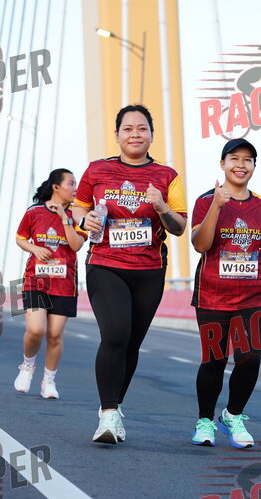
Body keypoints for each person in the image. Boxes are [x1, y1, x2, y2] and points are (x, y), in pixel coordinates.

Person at [72, 104, 187, 444]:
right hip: (106, 264)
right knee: (116, 334)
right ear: (117, 135)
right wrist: (84, 220)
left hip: (149, 270)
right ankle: (107, 414)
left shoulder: (168, 176)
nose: (135, 134)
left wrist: (161, 206)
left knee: (132, 343)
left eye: (142, 128)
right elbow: (79, 206)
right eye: (128, 128)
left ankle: (115, 407)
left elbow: (180, 227)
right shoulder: (97, 170)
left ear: (151, 134)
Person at [189, 139, 261, 448]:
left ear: (253, 166)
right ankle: (205, 421)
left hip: (251, 298)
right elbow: (200, 244)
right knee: (214, 360)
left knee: (249, 359)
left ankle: (233, 415)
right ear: (222, 164)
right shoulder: (206, 201)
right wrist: (217, 206)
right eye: (234, 158)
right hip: (212, 297)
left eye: (247, 160)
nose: (240, 165)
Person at [13, 169, 86, 399]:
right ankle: (27, 366)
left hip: (65, 283)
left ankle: (49, 381)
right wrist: (35, 248)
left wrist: (65, 218)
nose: (75, 188)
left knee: (55, 336)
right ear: (56, 187)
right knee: (36, 330)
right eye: (71, 183)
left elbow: (76, 245)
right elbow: (20, 238)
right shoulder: (34, 212)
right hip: (36, 280)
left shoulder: (77, 215)